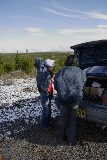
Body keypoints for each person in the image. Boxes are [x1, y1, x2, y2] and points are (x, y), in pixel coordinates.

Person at [54, 55, 86, 145]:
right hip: (75, 100)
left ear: (67, 61)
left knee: (63, 118)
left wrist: (62, 93)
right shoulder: (81, 72)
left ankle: (60, 136)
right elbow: (83, 84)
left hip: (63, 100)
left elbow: (56, 86)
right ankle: (71, 141)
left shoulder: (60, 72)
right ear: (76, 62)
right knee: (73, 120)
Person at [35, 58, 55, 128]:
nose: (53, 67)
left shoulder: (45, 70)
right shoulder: (44, 72)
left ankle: (47, 122)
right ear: (48, 66)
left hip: (47, 92)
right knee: (46, 109)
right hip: (45, 93)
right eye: (52, 66)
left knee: (47, 108)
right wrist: (45, 90)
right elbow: (43, 83)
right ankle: (44, 125)